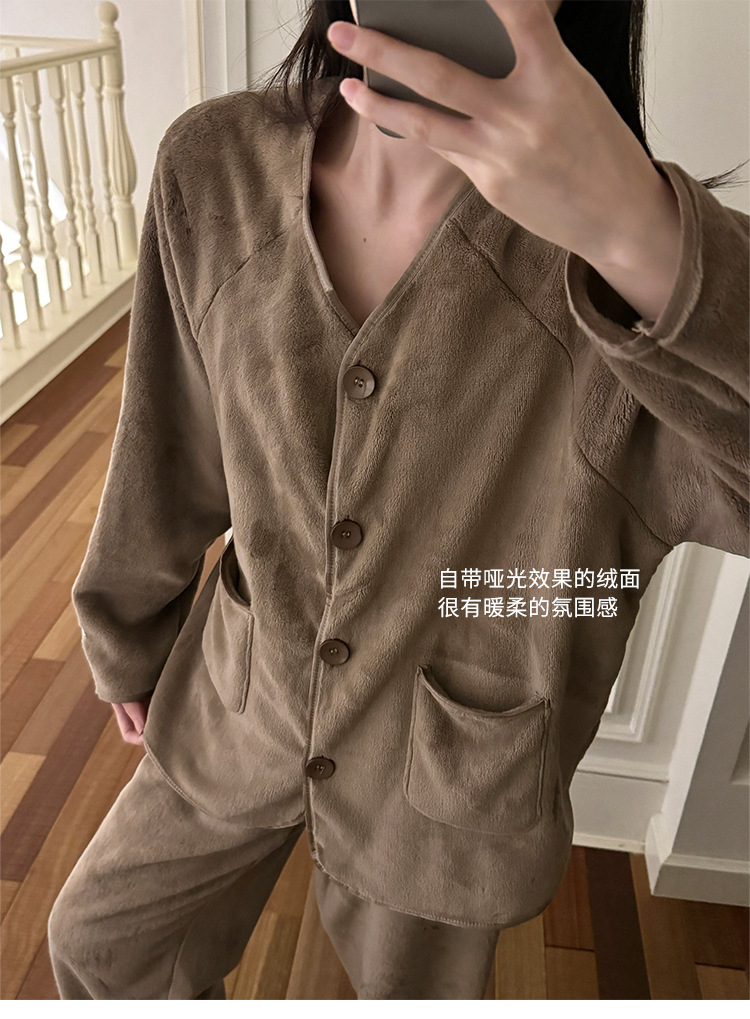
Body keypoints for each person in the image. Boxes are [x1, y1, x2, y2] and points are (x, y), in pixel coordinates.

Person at [47, 0, 749, 1000]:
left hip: (449, 799)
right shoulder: (215, 166)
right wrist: (126, 627)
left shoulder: (618, 276)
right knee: (100, 945)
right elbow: (169, 435)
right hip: (241, 701)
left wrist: (641, 233)